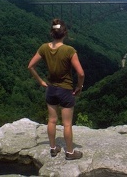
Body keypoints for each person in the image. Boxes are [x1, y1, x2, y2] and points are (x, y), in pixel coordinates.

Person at [28, 18, 85, 160]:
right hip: (66, 91)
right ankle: (70, 153)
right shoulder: (69, 50)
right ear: (64, 33)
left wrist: (41, 81)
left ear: (52, 33)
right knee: (67, 124)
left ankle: (53, 149)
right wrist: (79, 86)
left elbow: (30, 66)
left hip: (51, 90)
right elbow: (81, 73)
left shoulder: (44, 48)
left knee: (52, 120)